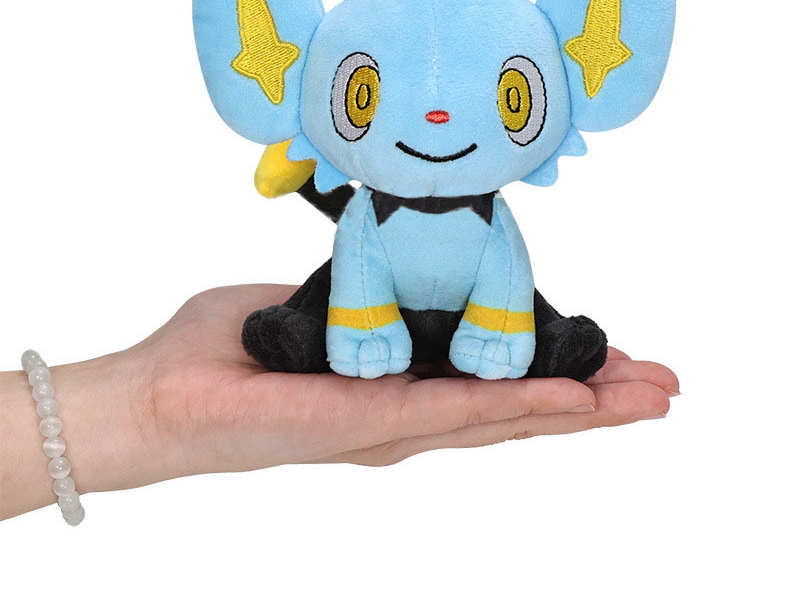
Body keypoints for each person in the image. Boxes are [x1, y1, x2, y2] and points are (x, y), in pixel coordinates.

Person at [0, 283, 679, 521]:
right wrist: (147, 410)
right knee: (350, 272)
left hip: (480, 297)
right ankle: (303, 329)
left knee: (505, 280)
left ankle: (548, 339)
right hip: (370, 296)